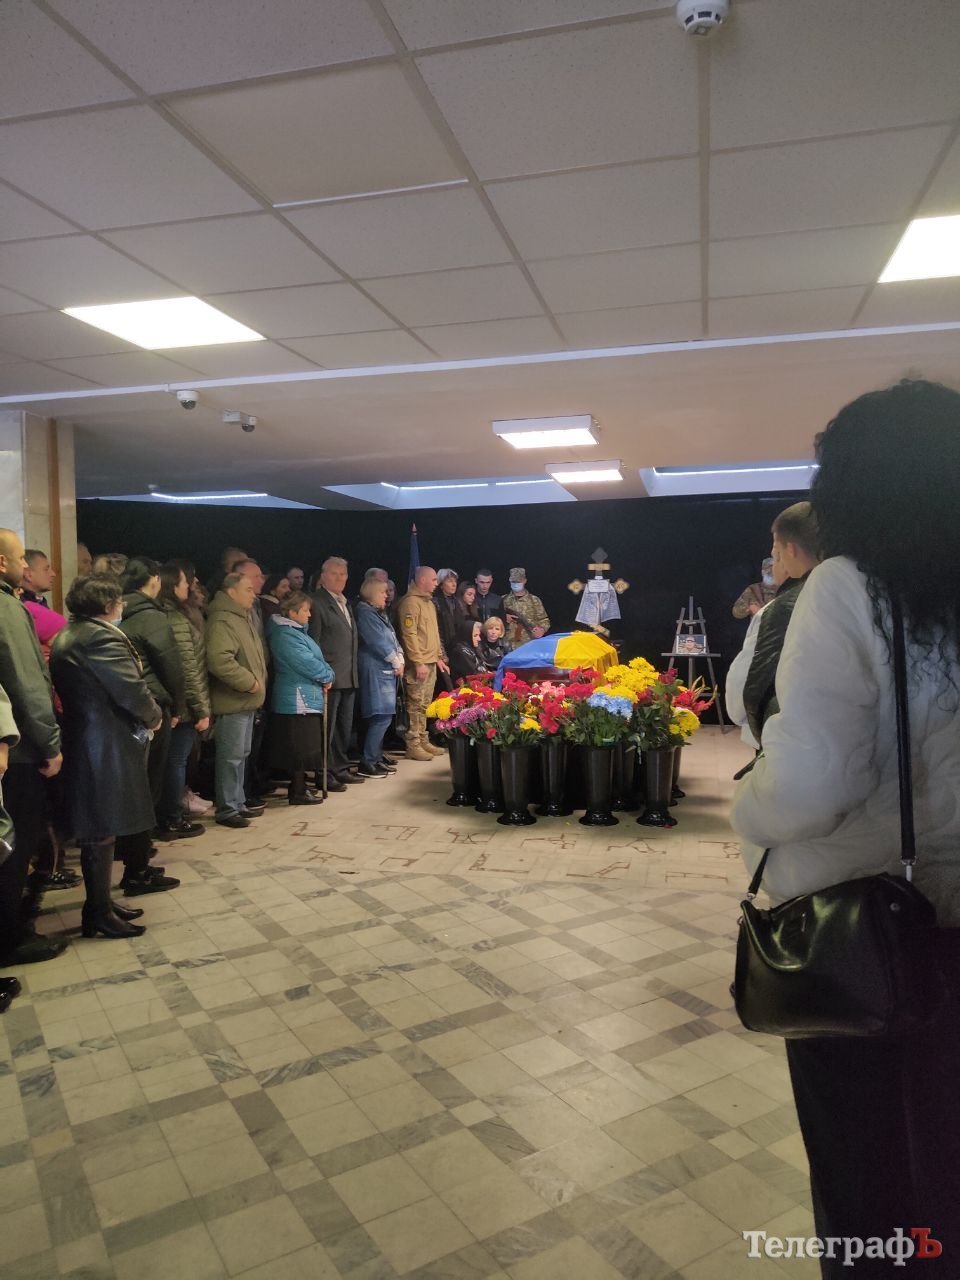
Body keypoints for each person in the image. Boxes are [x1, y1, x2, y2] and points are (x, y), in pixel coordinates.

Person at [731, 379, 960, 1272]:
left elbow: (812, 783)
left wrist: (746, 804)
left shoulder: (849, 588)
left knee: (866, 1174)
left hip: (870, 936)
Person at [50, 575, 161, 939]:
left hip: (88, 737)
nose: (122, 606)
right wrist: (153, 716)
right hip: (102, 741)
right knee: (100, 828)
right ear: (108, 605)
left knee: (101, 827)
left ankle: (101, 903)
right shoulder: (98, 637)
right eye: (118, 601)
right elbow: (130, 688)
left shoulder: (72, 633)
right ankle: (97, 912)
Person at [0, 529, 65, 966]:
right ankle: (10, 938)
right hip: (18, 750)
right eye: (21, 558)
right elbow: (26, 685)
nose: (26, 567)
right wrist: (50, 744)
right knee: (16, 844)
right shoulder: (7, 608)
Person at [115, 558, 186, 891]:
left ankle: (132, 852)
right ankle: (138, 867)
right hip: (152, 706)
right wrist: (179, 705)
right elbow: (171, 664)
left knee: (135, 784)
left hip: (128, 708)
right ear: (155, 579)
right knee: (148, 786)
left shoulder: (121, 612)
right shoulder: (151, 616)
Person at [741, 502, 819, 747]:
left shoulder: (783, 606)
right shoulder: (860, 590)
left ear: (791, 550)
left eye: (776, 553)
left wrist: (763, 735)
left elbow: (755, 689)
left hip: (792, 738)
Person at [206, 572, 267, 828]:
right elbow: (219, 660)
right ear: (231, 592)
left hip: (245, 701)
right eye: (248, 590)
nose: (254, 594)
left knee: (241, 754)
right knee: (230, 756)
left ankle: (238, 802)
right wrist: (250, 682)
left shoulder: (242, 617)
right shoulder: (223, 620)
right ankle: (227, 808)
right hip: (233, 700)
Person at [156, 562, 211, 839]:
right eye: (184, 582)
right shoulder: (175, 619)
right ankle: (172, 817)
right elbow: (188, 668)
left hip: (179, 703)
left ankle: (170, 814)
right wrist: (201, 709)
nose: (188, 586)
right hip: (183, 705)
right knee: (175, 762)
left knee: (173, 761)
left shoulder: (173, 614)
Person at [266, 593, 333, 804]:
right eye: (305, 610)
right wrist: (327, 675)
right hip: (297, 698)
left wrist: (327, 672)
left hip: (306, 694)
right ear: (292, 612)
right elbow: (306, 662)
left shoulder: (296, 633)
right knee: (299, 747)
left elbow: (316, 659)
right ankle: (297, 790)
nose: (309, 614)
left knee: (306, 746)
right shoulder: (285, 635)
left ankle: (301, 786)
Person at [308, 556, 362, 790]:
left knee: (343, 729)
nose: (339, 578)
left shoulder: (344, 602)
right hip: (329, 677)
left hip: (348, 675)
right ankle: (324, 772)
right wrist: (321, 673)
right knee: (327, 730)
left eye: (343, 574)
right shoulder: (317, 602)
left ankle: (340, 767)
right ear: (323, 576)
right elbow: (314, 642)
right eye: (334, 574)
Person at [397, 566, 449, 762]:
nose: (437, 583)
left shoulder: (428, 602)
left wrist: (438, 657)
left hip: (430, 661)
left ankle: (423, 738)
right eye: (433, 579)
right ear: (422, 580)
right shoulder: (410, 603)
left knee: (425, 705)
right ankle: (413, 744)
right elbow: (409, 635)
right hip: (418, 664)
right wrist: (418, 662)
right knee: (415, 704)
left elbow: (433, 633)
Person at [355, 578, 404, 778]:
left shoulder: (378, 613)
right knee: (379, 716)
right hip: (375, 670)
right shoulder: (365, 613)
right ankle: (367, 761)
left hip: (385, 670)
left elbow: (392, 637)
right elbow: (377, 641)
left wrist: (400, 656)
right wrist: (395, 660)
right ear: (373, 593)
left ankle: (375, 757)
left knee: (384, 716)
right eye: (383, 592)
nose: (386, 595)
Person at [502, 568, 550, 649]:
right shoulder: (503, 600)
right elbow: (493, 622)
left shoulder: (534, 600)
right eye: (513, 581)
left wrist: (542, 630)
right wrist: (502, 618)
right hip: (508, 646)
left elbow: (544, 620)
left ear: (524, 581)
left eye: (518, 581)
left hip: (530, 645)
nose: (516, 584)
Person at [449, 618, 486, 683]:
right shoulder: (461, 651)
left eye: (479, 635)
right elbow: (473, 674)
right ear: (467, 635)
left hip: (480, 682)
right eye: (475, 636)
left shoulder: (473, 648)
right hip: (467, 686)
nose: (479, 639)